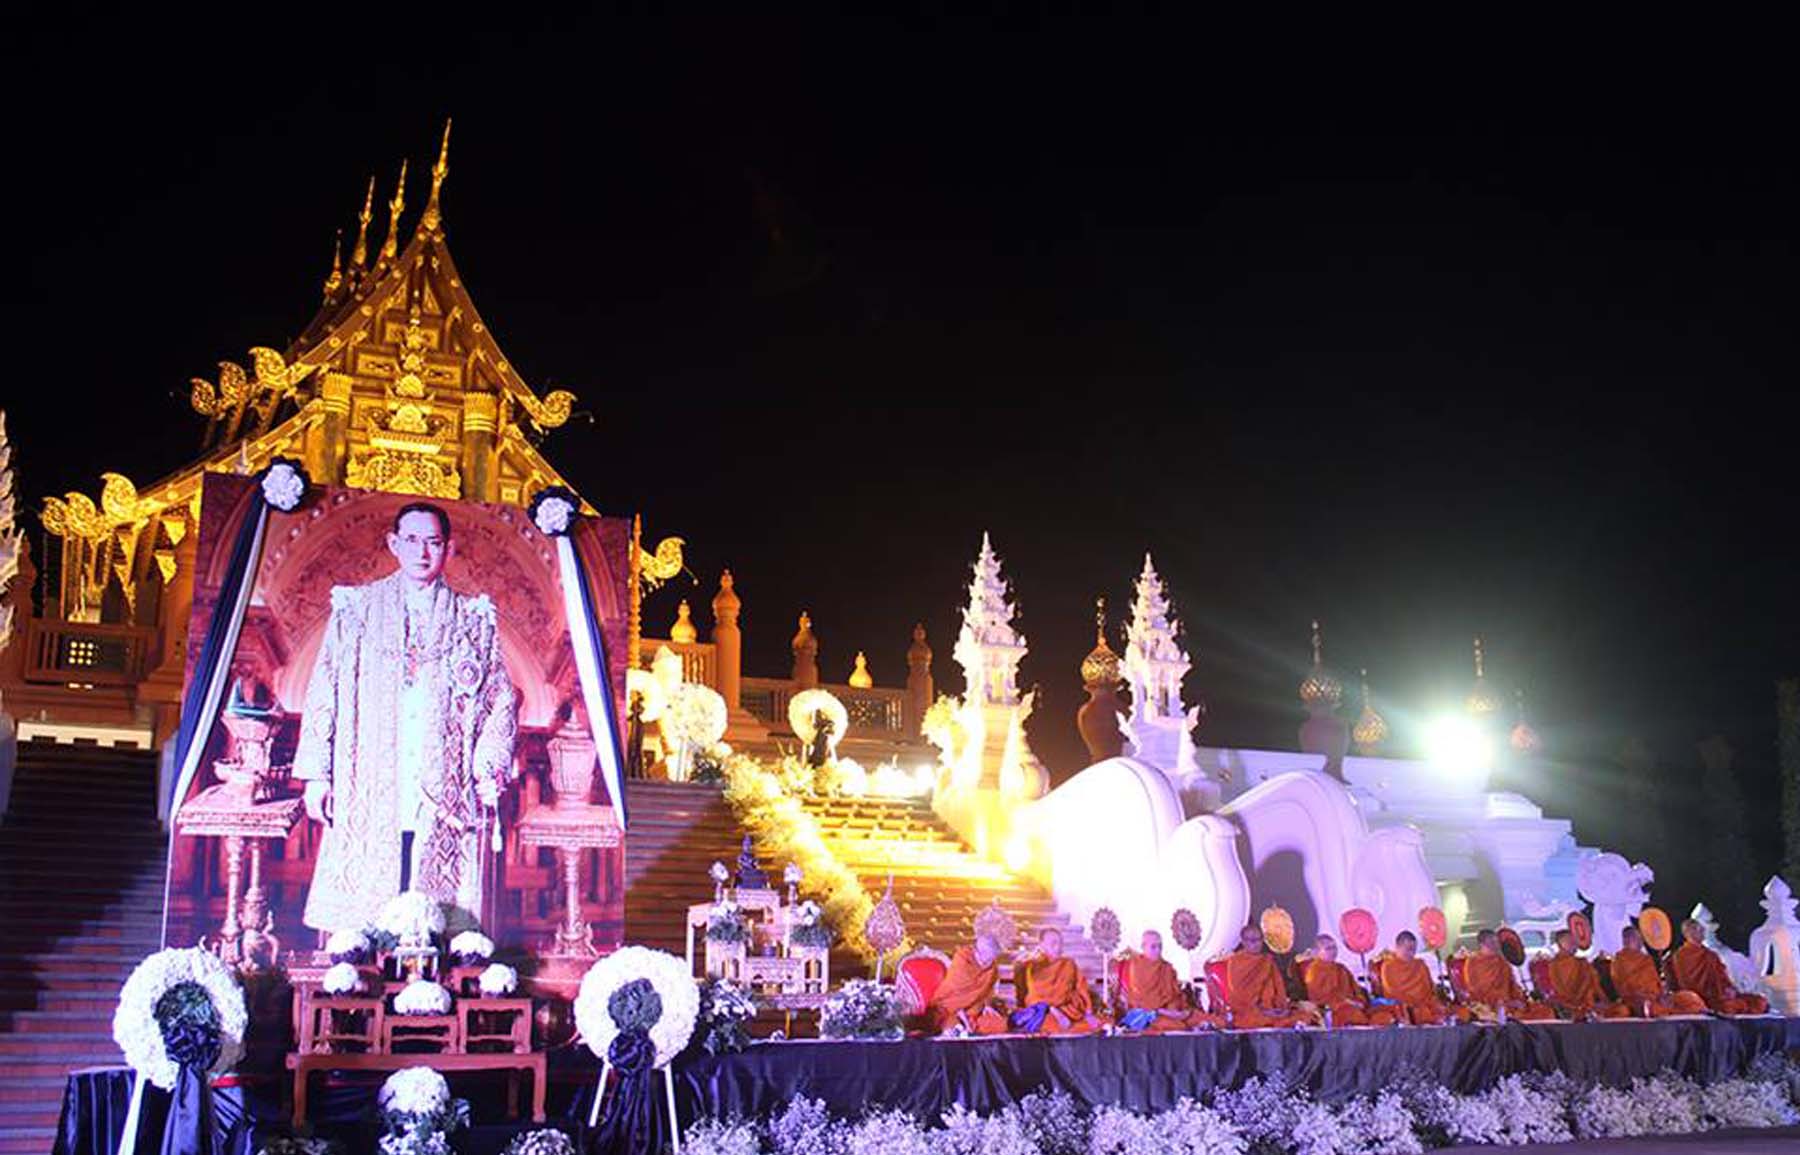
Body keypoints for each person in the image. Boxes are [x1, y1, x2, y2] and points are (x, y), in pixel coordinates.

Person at [294, 503, 519, 934]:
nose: (422, 552)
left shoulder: (473, 619)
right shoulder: (356, 609)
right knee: (373, 882)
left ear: (448, 549)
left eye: (433, 542)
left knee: (434, 887)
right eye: (412, 541)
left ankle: (432, 973)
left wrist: (487, 764)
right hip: (371, 772)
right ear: (393, 544)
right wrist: (317, 777)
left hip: (441, 776)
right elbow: (324, 690)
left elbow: (499, 699)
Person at [1119, 930, 1217, 1032]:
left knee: (1215, 1021)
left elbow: (1175, 996)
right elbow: (1145, 1004)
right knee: (1177, 1026)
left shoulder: (1167, 968)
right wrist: (1168, 1013)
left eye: (1160, 946)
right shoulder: (1137, 967)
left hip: (1173, 1012)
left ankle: (1204, 1025)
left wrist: (1180, 1011)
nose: (1158, 950)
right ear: (1143, 947)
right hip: (1150, 1017)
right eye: (1153, 947)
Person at [1011, 927, 1101, 1034]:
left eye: (1060, 943)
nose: (1058, 948)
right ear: (1042, 945)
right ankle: (1052, 1011)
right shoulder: (1033, 965)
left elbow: (1081, 987)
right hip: (1042, 1010)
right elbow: (1034, 996)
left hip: (1067, 1008)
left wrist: (1088, 1011)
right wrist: (1052, 1009)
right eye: (1053, 944)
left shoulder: (1069, 964)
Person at [1222, 925, 1315, 1028]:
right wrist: (1264, 1011)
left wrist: (1280, 1008)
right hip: (1247, 1010)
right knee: (1253, 1020)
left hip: (1270, 1009)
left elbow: (1278, 989)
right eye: (1251, 940)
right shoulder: (1236, 961)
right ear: (1243, 941)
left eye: (1259, 939)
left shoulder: (1267, 961)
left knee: (1304, 1016)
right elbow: (1239, 995)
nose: (1256, 944)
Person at [1670, 919, 1770, 1014]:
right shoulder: (1679, 956)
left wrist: (1729, 989)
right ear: (1688, 933)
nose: (1703, 932)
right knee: (1728, 1007)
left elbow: (1722, 978)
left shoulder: (1710, 955)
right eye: (1698, 929)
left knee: (1759, 1001)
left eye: (1702, 929)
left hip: (1718, 996)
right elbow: (1682, 983)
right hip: (1696, 1000)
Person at [1302, 934, 1399, 1027]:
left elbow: (1356, 989)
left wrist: (1361, 1001)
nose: (1333, 951)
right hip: (1336, 1008)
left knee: (1387, 1012)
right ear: (1318, 952)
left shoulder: (1341, 968)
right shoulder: (1314, 971)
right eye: (1328, 948)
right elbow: (1320, 997)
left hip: (1355, 1005)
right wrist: (1348, 1002)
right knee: (1354, 1015)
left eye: (1335, 947)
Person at [1610, 925, 1706, 1017]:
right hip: (1638, 1001)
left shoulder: (1646, 959)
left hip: (1657, 999)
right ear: (1626, 940)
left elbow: (1656, 982)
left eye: (1641, 939)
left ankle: (1700, 1010)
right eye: (1636, 938)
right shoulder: (1619, 961)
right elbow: (1624, 989)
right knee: (1649, 1008)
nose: (1641, 942)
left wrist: (1663, 995)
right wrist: (1646, 997)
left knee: (1689, 997)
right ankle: (1670, 1010)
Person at [1378, 931, 1469, 1025]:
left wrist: (1434, 1001)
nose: (1411, 953)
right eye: (1408, 949)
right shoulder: (1388, 966)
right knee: (1419, 1013)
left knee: (1459, 1012)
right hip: (1405, 1006)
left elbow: (1430, 989)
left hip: (1425, 1003)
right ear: (1397, 947)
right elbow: (1392, 992)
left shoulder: (1420, 964)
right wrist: (1415, 1002)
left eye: (1414, 949)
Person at [925, 934, 1008, 1035]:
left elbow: (987, 995)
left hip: (976, 1011)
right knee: (952, 1027)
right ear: (978, 950)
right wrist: (962, 1016)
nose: (987, 962)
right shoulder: (963, 960)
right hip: (949, 1010)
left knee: (1000, 1025)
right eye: (986, 956)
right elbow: (953, 993)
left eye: (991, 958)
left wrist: (987, 1007)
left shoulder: (992, 968)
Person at [1463, 930, 1555, 1021]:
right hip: (1490, 1005)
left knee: (1544, 1011)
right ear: (1482, 944)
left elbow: (1512, 985)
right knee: (1507, 1014)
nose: (1496, 945)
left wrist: (1519, 999)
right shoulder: (1473, 962)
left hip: (1509, 1002)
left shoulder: (1501, 962)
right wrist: (1504, 1002)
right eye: (1492, 942)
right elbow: (1475, 989)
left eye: (1497, 942)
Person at [1544, 930, 1628, 1019]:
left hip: (1588, 1003)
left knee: (1622, 1010)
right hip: (1570, 1004)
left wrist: (1597, 963)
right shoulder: (1555, 964)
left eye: (1574, 941)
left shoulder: (1581, 963)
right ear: (1560, 944)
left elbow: (1592, 982)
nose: (1574, 944)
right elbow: (1570, 986)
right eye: (1569, 941)